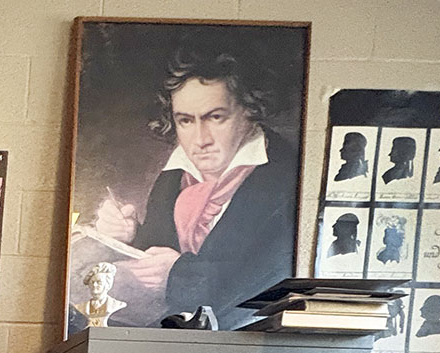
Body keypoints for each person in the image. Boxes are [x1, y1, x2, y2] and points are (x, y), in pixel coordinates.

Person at [92, 38, 297, 329]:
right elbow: (158, 252)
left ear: (250, 110)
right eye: (186, 121)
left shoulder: (285, 178)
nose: (201, 140)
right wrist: (129, 237)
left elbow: (264, 283)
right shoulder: (173, 177)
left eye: (215, 117)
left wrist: (177, 274)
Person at [73, 262, 127, 327]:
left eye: (99, 282)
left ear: (108, 284)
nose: (94, 285)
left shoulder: (117, 305)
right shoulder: (79, 308)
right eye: (92, 282)